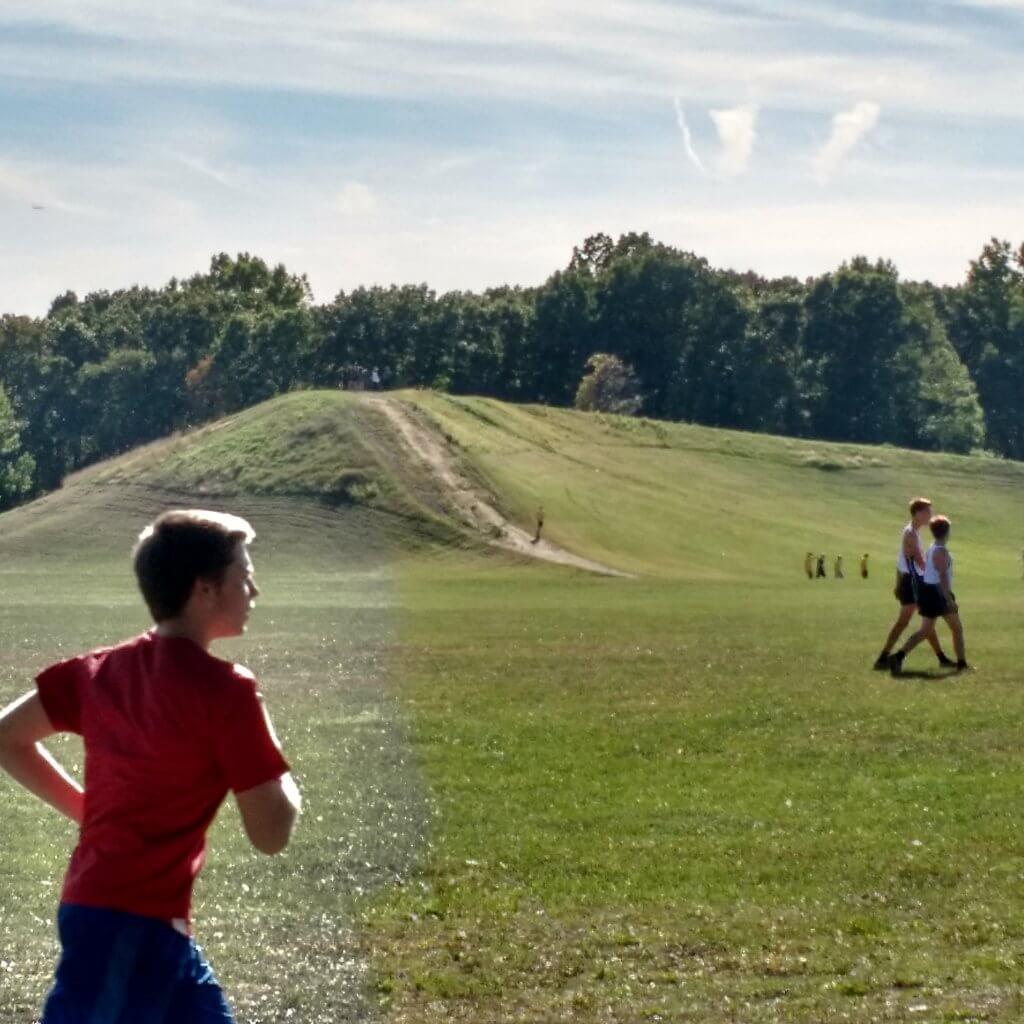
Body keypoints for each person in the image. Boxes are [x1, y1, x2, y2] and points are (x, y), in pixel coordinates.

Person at [0, 510, 301, 1023]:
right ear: (205, 590)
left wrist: (86, 811)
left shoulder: (101, 670)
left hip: (129, 918)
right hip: (129, 927)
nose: (254, 590)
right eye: (243, 575)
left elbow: (7, 737)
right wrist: (279, 772)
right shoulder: (227, 692)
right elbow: (271, 832)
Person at [873, 497, 953, 670]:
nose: (930, 515)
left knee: (926, 621)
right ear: (917, 513)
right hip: (913, 584)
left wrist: (897, 584)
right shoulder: (910, 534)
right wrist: (936, 577)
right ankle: (885, 658)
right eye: (927, 512)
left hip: (910, 582)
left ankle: (941, 658)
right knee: (909, 621)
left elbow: (900, 562)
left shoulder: (912, 531)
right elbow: (920, 562)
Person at [890, 515, 969, 675]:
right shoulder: (941, 551)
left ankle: (898, 657)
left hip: (929, 592)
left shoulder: (932, 547)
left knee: (925, 631)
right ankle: (961, 664)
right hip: (937, 594)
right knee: (957, 629)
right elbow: (942, 578)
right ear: (946, 532)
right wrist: (949, 600)